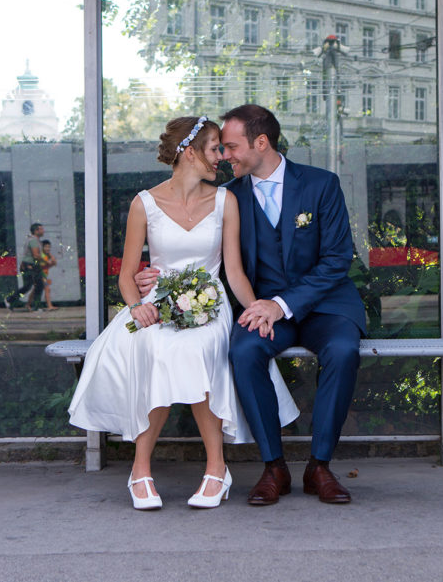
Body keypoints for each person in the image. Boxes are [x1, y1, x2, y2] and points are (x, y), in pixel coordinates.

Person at [138, 104, 366, 506]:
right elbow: (204, 252)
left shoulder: (321, 184)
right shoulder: (227, 197)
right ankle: (273, 466)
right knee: (243, 351)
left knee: (344, 350)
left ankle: (320, 466)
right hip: (258, 308)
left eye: (230, 146)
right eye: (220, 149)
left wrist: (282, 303)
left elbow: (336, 259)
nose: (224, 156)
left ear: (261, 143)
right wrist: (154, 277)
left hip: (326, 306)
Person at [69, 116, 297, 511]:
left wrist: (258, 308)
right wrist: (137, 306)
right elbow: (126, 276)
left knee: (197, 349)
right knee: (154, 347)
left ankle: (216, 467)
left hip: (211, 300)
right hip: (157, 301)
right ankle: (140, 468)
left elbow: (234, 271)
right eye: (214, 150)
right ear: (189, 153)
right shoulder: (144, 203)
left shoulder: (227, 201)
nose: (221, 158)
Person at [4, 223, 46, 312]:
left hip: (32, 265)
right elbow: (35, 255)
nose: (43, 231)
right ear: (36, 231)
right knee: (29, 285)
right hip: (30, 266)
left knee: (37, 285)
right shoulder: (33, 241)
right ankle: (10, 300)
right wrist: (46, 259)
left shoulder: (35, 240)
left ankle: (35, 306)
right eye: (41, 229)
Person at [39, 239, 58, 310]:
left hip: (44, 275)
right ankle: (49, 306)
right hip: (41, 275)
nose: (48, 248)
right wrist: (50, 264)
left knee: (36, 290)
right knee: (47, 289)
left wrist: (51, 258)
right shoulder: (42, 256)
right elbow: (42, 267)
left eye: (49, 247)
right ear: (42, 247)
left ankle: (28, 304)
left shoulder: (46, 255)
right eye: (46, 247)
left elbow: (54, 263)